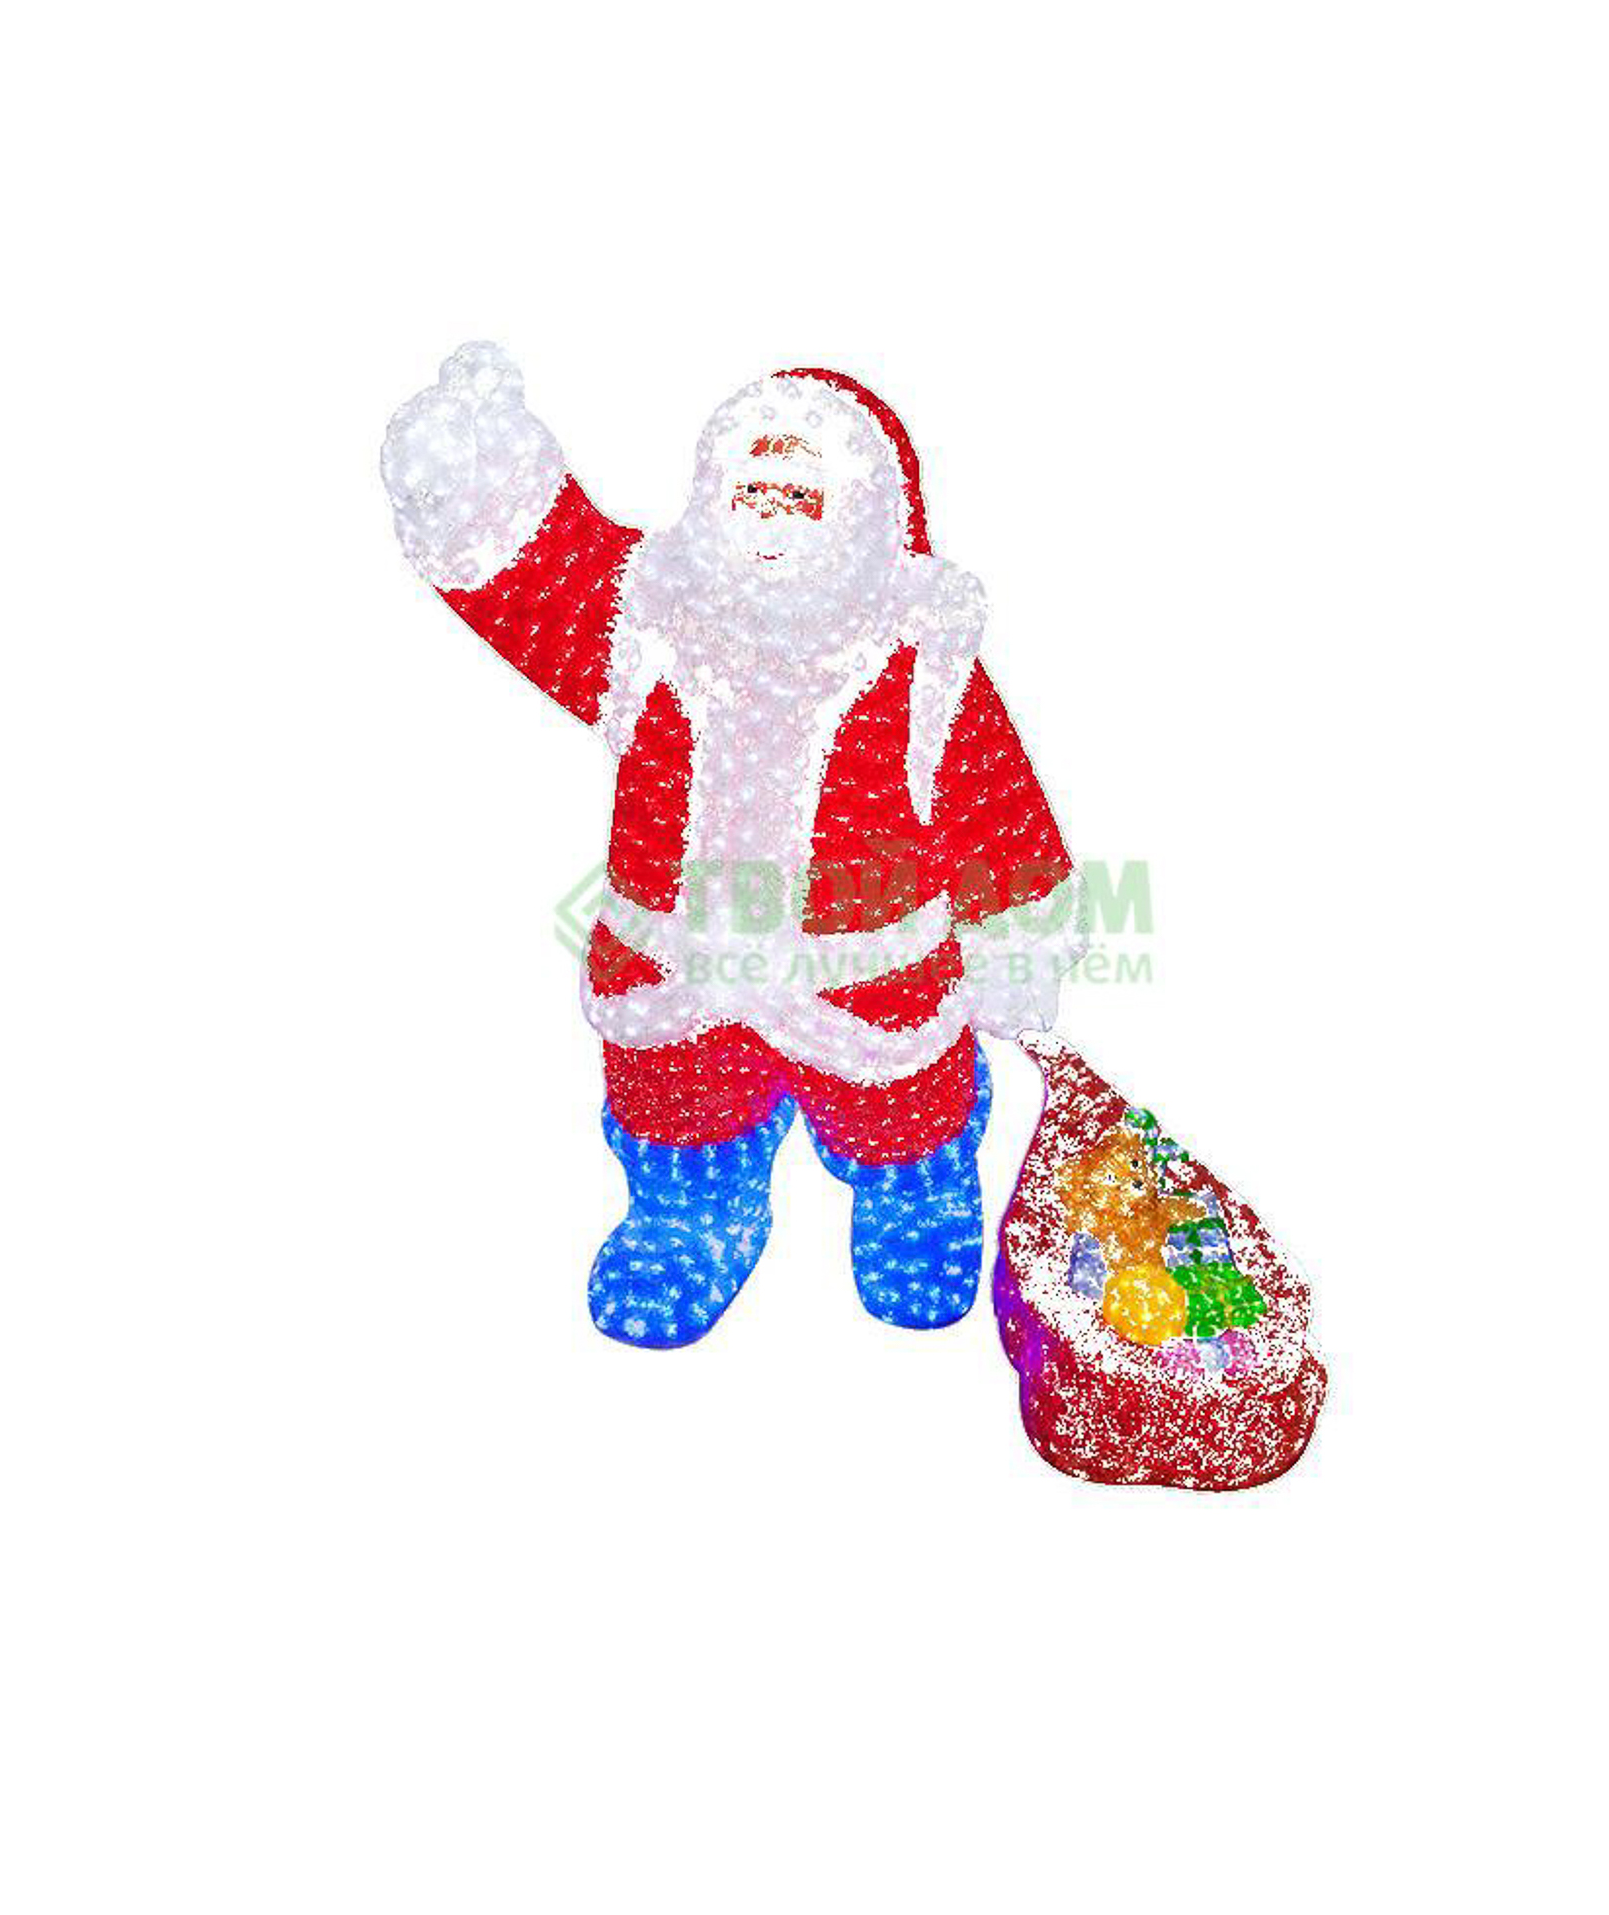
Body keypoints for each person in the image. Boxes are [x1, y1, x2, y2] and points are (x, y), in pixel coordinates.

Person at [381, 345, 1084, 1346]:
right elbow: (546, 579)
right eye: (747, 494)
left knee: (899, 1101)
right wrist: (477, 483)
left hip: (868, 988)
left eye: (801, 500)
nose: (768, 522)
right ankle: (690, 1212)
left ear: (868, 517)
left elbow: (994, 806)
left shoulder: (924, 661)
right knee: (679, 1098)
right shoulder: (651, 619)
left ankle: (915, 1190)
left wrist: (1014, 941)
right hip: (677, 977)